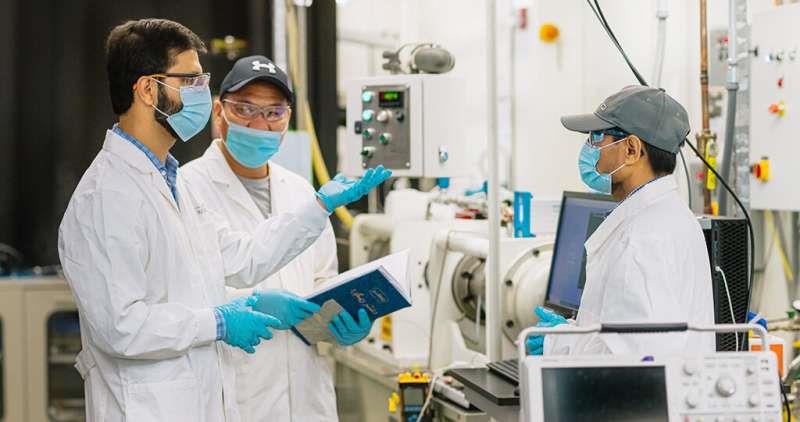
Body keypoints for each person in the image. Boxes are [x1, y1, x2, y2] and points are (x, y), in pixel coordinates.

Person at [58, 19, 389, 421]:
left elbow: (239, 257)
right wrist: (217, 322)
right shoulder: (107, 196)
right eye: (190, 80)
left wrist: (317, 207)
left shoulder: (169, 183)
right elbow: (121, 326)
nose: (201, 91)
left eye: (202, 80)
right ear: (147, 90)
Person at [181, 55, 372, 421]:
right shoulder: (188, 188)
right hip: (235, 397)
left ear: (287, 118)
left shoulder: (302, 191)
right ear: (219, 111)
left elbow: (322, 278)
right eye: (245, 109)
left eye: (274, 113)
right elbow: (183, 298)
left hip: (307, 399)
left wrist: (344, 320)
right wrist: (248, 304)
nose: (260, 124)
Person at [527, 86, 714, 356]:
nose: (588, 149)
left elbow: (636, 360)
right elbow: (629, 334)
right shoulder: (667, 216)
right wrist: (573, 332)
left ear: (631, 150)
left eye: (597, 138)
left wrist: (560, 344)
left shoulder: (642, 241)